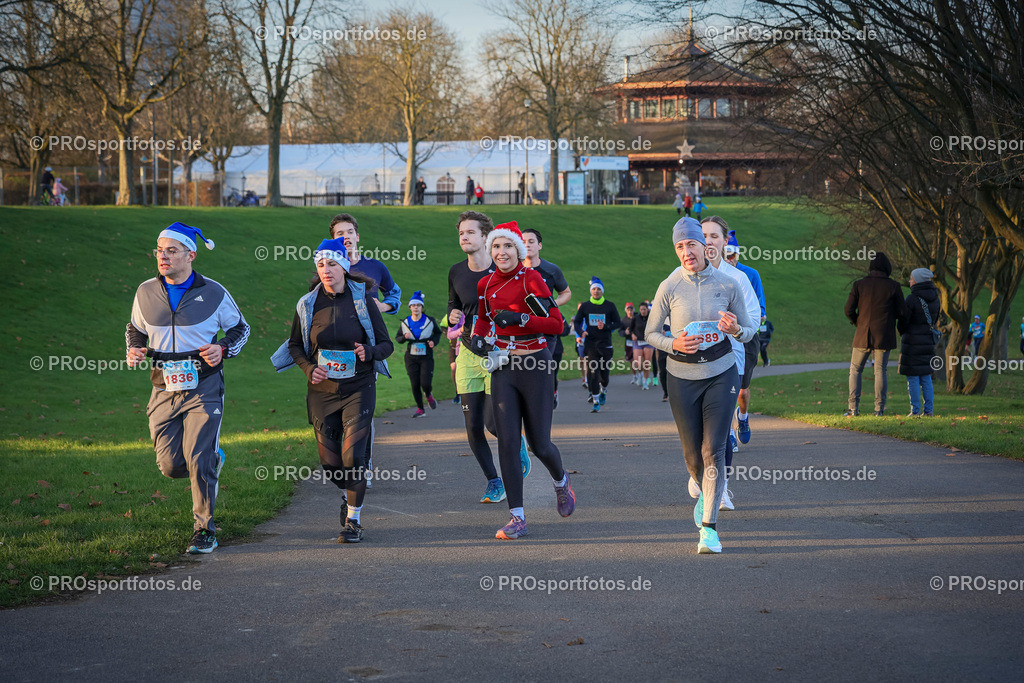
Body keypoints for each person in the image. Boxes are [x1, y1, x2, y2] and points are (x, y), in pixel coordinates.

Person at [127, 222, 250, 554]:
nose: (163, 256)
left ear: (190, 255)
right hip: (162, 386)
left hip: (204, 385)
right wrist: (135, 347)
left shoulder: (213, 292)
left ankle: (204, 529)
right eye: (160, 250)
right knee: (169, 465)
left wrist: (222, 348)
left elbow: (241, 329)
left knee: (198, 457)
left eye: (172, 250)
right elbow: (135, 328)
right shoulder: (145, 291)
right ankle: (213, 461)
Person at [646, 217, 756, 554]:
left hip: (722, 373)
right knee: (693, 456)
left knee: (714, 451)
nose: (686, 251)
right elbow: (650, 334)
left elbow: (751, 331)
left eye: (691, 244)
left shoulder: (727, 284)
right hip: (682, 377)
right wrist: (673, 345)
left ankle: (709, 529)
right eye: (679, 246)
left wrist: (735, 329)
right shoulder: (669, 286)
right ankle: (704, 488)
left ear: (704, 246)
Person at [275, 238, 393, 543]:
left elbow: (386, 345)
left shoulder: (363, 301)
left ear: (344, 266)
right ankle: (347, 494)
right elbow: (294, 346)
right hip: (322, 390)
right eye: (321, 264)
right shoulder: (308, 304)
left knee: (353, 455)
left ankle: (353, 520)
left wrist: (369, 352)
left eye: (332, 263)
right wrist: (307, 368)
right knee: (330, 461)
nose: (326, 270)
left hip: (359, 387)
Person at [467, 221, 575, 539]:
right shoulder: (484, 285)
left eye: (508, 246)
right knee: (508, 442)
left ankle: (561, 481)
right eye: (496, 247)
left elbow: (558, 324)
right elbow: (483, 321)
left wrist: (523, 318)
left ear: (519, 250)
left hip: (536, 364)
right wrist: (476, 340)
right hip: (503, 366)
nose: (502, 252)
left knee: (539, 443)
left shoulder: (533, 280)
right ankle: (517, 517)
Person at [447, 211, 530, 504]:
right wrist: (452, 316)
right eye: (461, 233)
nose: (465, 237)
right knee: (472, 426)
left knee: (493, 424)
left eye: (471, 232)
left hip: (498, 355)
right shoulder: (456, 272)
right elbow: (454, 306)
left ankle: (517, 445)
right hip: (468, 353)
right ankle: (494, 481)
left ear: (486, 237)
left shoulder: (502, 272)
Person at [329, 214, 401, 486]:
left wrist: (385, 306)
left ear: (358, 236)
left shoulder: (375, 267)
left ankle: (363, 464)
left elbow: (394, 293)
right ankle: (342, 462)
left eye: (349, 232)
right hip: (334, 351)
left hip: (368, 349)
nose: (345, 237)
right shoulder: (329, 267)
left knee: (362, 412)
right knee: (334, 413)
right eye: (339, 233)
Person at [697, 216, 760, 511]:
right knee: (698, 429)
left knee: (721, 430)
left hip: (728, 359)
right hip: (691, 362)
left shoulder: (738, 278)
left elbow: (754, 320)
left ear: (725, 242)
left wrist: (736, 328)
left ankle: (720, 490)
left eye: (714, 236)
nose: (708, 241)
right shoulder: (681, 275)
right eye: (703, 235)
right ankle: (698, 474)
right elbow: (667, 321)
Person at [843, 251, 908, 416]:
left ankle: (853, 409)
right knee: (880, 370)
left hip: (862, 332)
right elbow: (902, 312)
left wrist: (858, 321)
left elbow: (848, 309)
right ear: (888, 268)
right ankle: (879, 409)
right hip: (884, 334)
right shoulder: (893, 286)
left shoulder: (859, 284)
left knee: (855, 370)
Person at [522, 228, 572, 409]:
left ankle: (544, 401)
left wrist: (552, 305)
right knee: (523, 370)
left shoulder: (551, 270)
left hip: (546, 330)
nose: (527, 244)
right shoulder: (513, 270)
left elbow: (566, 293)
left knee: (542, 368)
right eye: (523, 241)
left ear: (540, 245)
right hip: (522, 329)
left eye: (531, 241)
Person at [724, 230, 766, 446]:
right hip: (723, 338)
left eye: (732, 254)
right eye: (725, 254)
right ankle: (729, 434)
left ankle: (743, 417)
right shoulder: (714, 274)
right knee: (726, 386)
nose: (728, 259)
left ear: (738, 254)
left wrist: (744, 323)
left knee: (741, 389)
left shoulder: (751, 275)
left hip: (746, 337)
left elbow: (761, 310)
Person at [573, 277, 621, 412]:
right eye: (594, 289)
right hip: (591, 344)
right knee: (593, 372)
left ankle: (603, 390)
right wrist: (581, 331)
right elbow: (576, 322)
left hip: (605, 344)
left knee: (604, 374)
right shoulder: (585, 306)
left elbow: (617, 323)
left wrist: (606, 326)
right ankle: (595, 400)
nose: (596, 291)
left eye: (598, 289)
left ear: (602, 291)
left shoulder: (609, 306)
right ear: (590, 291)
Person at [898, 268, 940, 417]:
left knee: (913, 377)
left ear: (918, 281)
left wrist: (901, 330)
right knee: (926, 376)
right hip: (928, 343)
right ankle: (928, 410)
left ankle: (915, 411)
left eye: (911, 279)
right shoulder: (936, 298)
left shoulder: (912, 299)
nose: (909, 281)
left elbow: (903, 321)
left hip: (912, 343)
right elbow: (934, 320)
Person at [395, 291, 441, 417]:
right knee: (415, 384)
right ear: (410, 307)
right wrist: (405, 337)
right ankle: (420, 409)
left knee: (425, 383)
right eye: (413, 305)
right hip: (411, 357)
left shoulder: (429, 321)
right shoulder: (406, 322)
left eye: (418, 305)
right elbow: (398, 338)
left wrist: (433, 342)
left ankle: (428, 394)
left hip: (426, 356)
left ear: (422, 307)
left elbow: (437, 333)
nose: (416, 307)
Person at [628, 301, 655, 389]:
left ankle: (645, 382)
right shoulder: (636, 318)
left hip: (648, 342)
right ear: (639, 310)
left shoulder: (652, 318)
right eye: (641, 310)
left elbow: (655, 328)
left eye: (644, 309)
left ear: (647, 309)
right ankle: (640, 374)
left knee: (647, 363)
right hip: (637, 342)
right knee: (638, 363)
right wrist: (632, 334)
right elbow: (631, 329)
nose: (643, 311)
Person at [620, 302, 637, 384]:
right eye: (628, 310)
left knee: (638, 359)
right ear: (626, 311)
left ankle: (641, 375)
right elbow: (620, 331)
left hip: (638, 341)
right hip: (629, 342)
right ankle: (635, 376)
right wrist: (625, 332)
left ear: (633, 310)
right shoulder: (623, 320)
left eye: (631, 310)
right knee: (631, 360)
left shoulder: (637, 318)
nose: (630, 312)